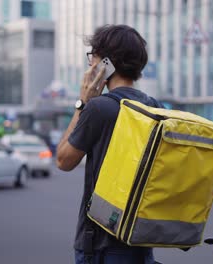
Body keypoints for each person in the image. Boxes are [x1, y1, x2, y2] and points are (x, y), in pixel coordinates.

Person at [56, 25, 160, 264]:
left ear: (105, 63)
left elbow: (63, 160)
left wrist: (82, 102)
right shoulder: (155, 107)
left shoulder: (99, 108)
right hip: (140, 242)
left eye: (92, 57)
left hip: (100, 246)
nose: (90, 63)